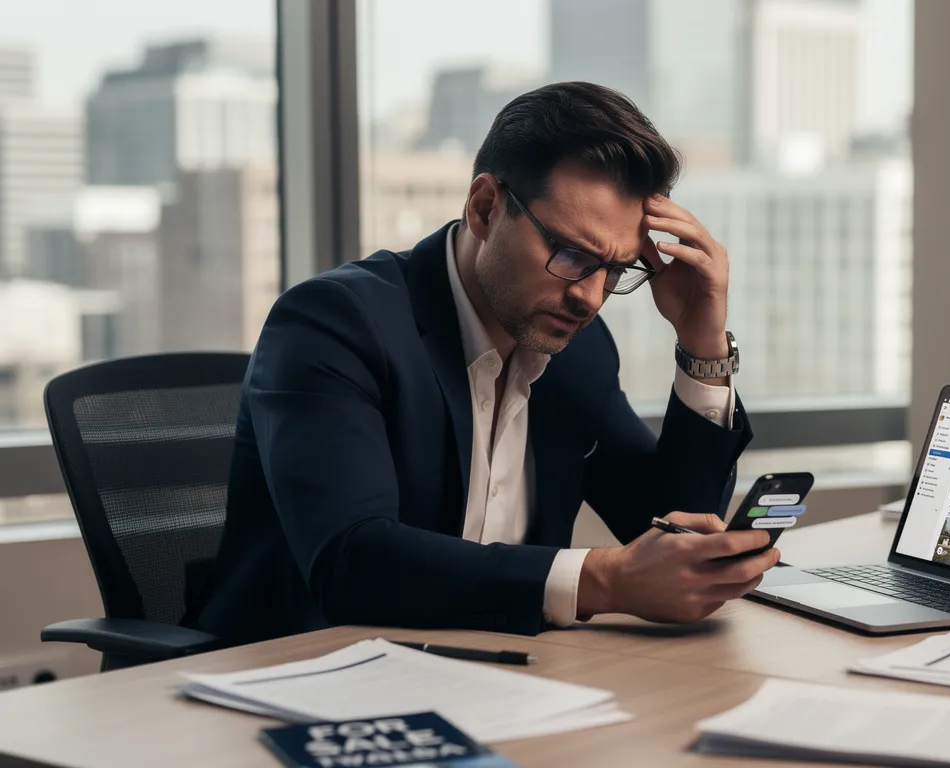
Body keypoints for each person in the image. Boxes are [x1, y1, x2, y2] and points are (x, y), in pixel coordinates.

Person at [187, 82, 779, 645]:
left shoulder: (578, 351)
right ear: (486, 207)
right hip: (296, 677)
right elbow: (352, 562)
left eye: (616, 270)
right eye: (572, 255)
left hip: (496, 677)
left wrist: (702, 342)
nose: (591, 297)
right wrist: (601, 580)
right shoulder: (334, 324)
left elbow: (664, 527)